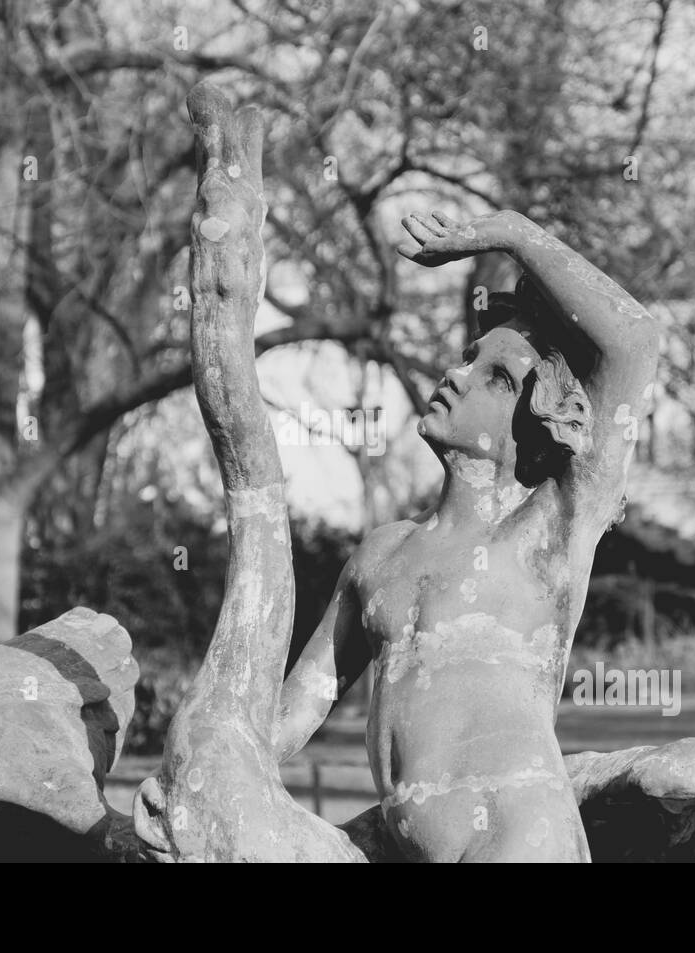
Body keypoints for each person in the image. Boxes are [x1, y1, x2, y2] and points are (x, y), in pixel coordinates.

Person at [271, 209, 661, 861]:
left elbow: (634, 344)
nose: (457, 375)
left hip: (521, 843)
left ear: (540, 419)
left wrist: (512, 232)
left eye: (497, 378)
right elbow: (295, 712)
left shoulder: (545, 533)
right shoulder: (380, 553)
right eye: (468, 358)